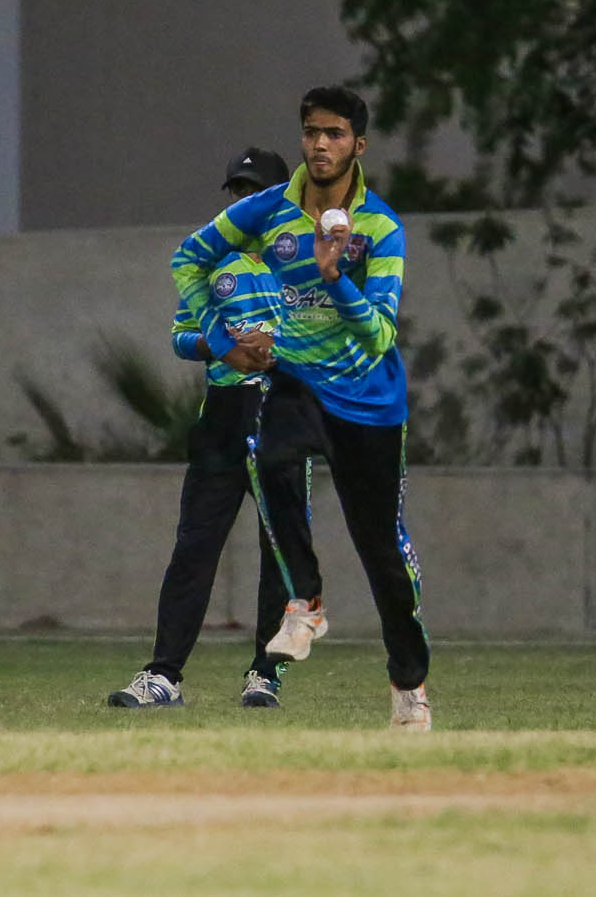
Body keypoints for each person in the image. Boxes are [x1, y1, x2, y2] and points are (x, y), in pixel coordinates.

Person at [168, 86, 432, 730]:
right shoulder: (268, 209)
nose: (320, 144)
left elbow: (380, 335)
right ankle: (305, 604)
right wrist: (223, 345)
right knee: (270, 458)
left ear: (358, 145)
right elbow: (188, 259)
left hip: (368, 397)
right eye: (312, 132)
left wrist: (334, 276)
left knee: (382, 554)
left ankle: (409, 685)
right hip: (297, 381)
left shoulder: (381, 227)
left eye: (335, 134)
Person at [109, 147, 328, 709]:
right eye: (236, 191)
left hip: (283, 414)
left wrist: (277, 345)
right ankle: (163, 676)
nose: (241, 201)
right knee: (194, 547)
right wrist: (221, 344)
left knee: (279, 553)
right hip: (223, 420)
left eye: (254, 192)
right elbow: (181, 337)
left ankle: (265, 674)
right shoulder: (211, 261)